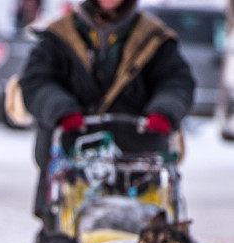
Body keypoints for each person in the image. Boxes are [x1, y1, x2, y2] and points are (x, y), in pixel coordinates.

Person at [19, 0, 195, 223]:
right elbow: (37, 82)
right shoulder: (59, 36)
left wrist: (164, 111)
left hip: (139, 163)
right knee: (63, 235)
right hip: (73, 159)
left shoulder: (155, 38)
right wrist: (61, 111)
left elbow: (176, 82)